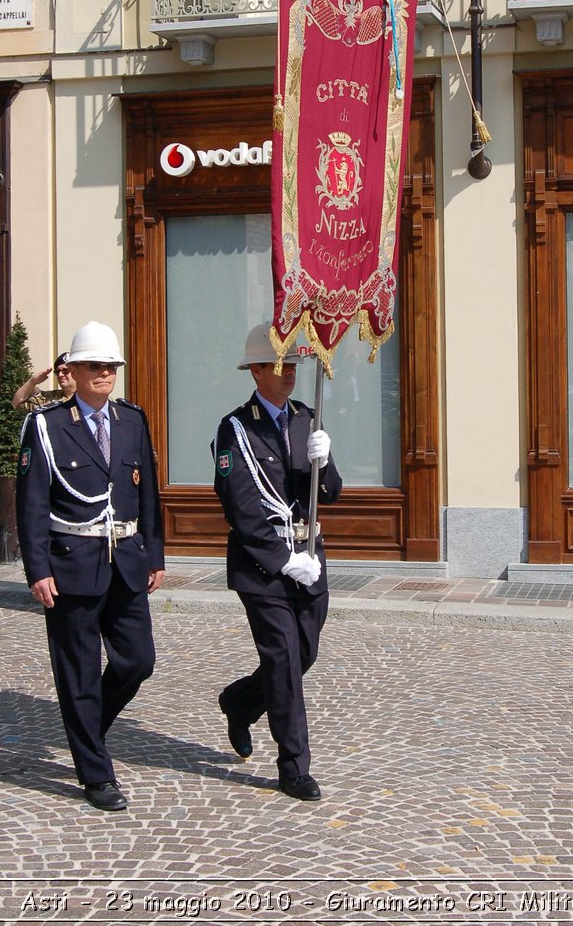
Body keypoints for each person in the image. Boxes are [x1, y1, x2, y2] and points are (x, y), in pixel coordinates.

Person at [16, 321, 165, 811]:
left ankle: (87, 729)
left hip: (125, 560)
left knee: (137, 660)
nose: (104, 374)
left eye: (111, 367)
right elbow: (32, 502)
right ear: (72, 372)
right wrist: (37, 569)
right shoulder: (47, 425)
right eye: (94, 366)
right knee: (78, 674)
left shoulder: (131, 420)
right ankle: (96, 774)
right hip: (71, 565)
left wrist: (155, 554)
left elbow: (147, 495)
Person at [212, 322, 341, 801]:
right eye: (280, 366)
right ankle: (294, 766)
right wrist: (283, 560)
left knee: (303, 653)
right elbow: (241, 507)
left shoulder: (308, 417)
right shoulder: (236, 429)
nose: (290, 374)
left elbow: (329, 494)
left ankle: (241, 701)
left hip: (311, 555)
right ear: (257, 371)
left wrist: (324, 464)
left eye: (294, 365)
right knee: (284, 658)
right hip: (264, 566)